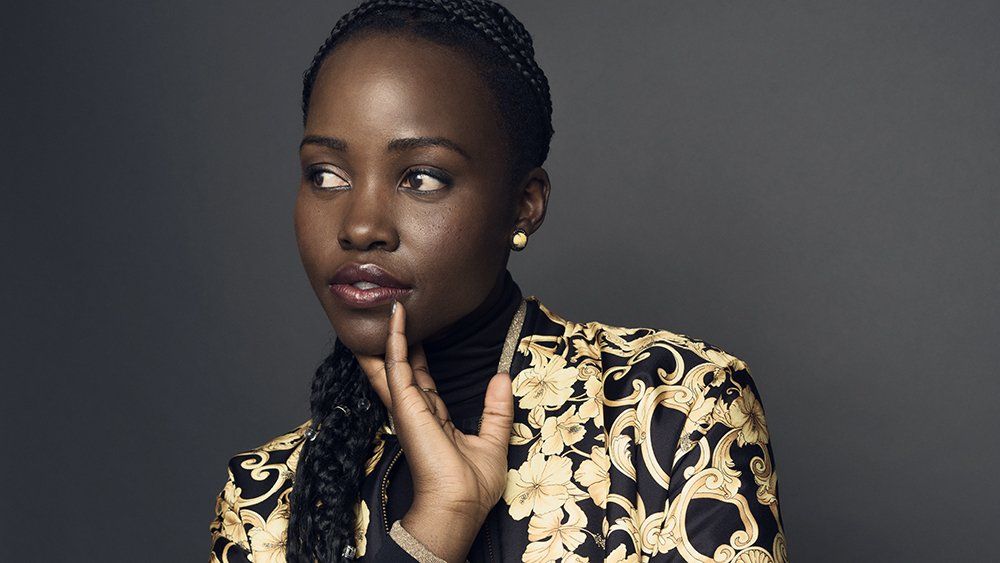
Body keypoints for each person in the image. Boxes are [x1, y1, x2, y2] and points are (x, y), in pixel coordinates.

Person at [208, 1, 787, 562]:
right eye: (326, 174)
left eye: (422, 178)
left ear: (524, 205)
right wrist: (440, 519)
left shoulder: (670, 413)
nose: (360, 226)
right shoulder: (266, 499)